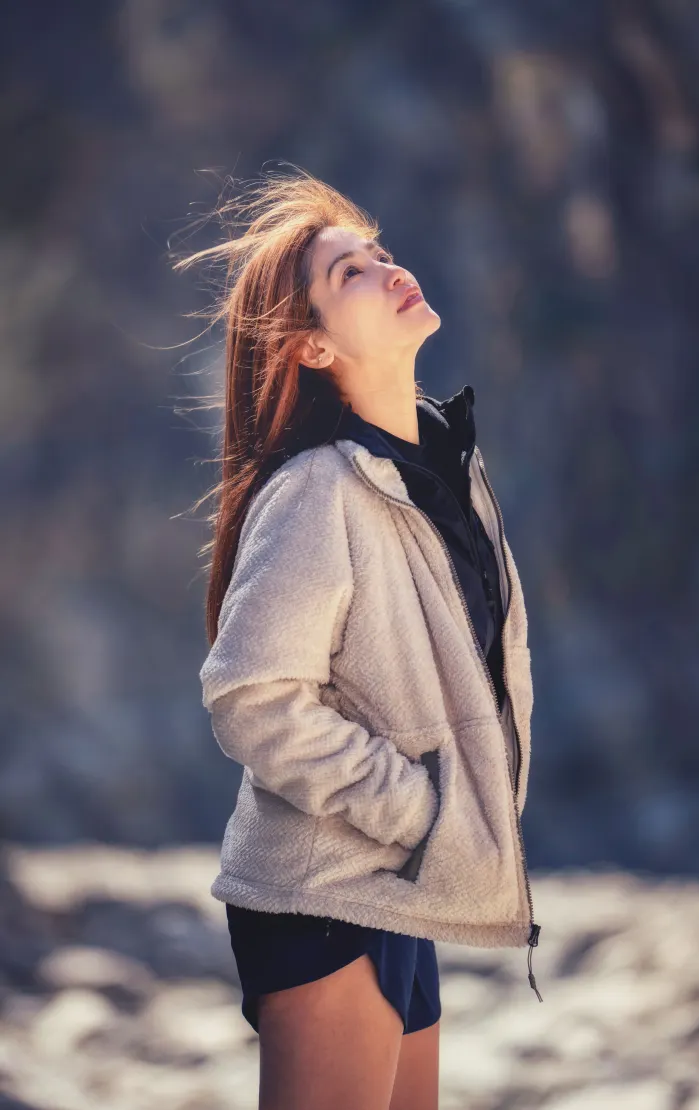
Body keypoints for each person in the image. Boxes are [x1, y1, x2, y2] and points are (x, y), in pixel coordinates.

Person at [177, 165, 541, 1110]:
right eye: (351, 273)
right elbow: (251, 699)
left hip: (395, 897)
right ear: (308, 348)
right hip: (326, 893)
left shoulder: (446, 469)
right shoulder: (316, 492)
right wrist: (418, 814)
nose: (388, 269)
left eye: (379, 253)